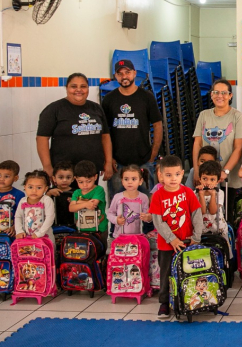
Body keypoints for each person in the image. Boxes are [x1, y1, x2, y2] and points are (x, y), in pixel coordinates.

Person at [150, 155, 204, 319]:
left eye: (176, 174)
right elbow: (158, 222)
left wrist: (197, 236)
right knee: (166, 273)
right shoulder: (158, 196)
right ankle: (164, 303)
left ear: (182, 174)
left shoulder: (188, 192)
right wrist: (171, 239)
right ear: (160, 175)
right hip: (166, 244)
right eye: (168, 175)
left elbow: (197, 215)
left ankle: (190, 298)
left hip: (188, 241)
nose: (173, 179)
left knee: (189, 271)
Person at [36, 72, 113, 182]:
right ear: (66, 88)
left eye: (83, 86)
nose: (79, 90)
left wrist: (108, 162)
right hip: (64, 173)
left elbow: (105, 136)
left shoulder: (96, 108)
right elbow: (42, 138)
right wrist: (47, 166)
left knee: (91, 199)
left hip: (90, 170)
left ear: (88, 88)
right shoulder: (54, 109)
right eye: (73, 86)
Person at [102, 59, 162, 195]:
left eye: (127, 72)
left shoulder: (146, 97)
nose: (124, 76)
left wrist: (153, 154)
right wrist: (108, 158)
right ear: (115, 76)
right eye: (120, 73)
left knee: (146, 205)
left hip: (143, 161)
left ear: (134, 73)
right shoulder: (109, 99)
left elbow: (158, 125)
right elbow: (105, 132)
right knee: (118, 206)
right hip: (118, 164)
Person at [192, 79, 242, 218]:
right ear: (211, 95)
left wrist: (225, 171)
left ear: (230, 96)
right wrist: (196, 170)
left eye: (224, 93)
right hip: (206, 175)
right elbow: (197, 144)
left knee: (226, 213)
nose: (220, 96)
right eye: (216, 92)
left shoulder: (237, 117)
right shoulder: (204, 115)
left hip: (228, 175)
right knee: (204, 212)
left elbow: (239, 148)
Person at [106, 165, 152, 239]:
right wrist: (116, 220)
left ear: (140, 181)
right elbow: (110, 214)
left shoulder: (144, 198)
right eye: (126, 179)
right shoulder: (117, 197)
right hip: (119, 237)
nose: (130, 182)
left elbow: (147, 215)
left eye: (134, 179)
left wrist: (148, 218)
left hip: (137, 237)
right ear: (122, 181)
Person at [68, 160, 109, 241]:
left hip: (99, 229)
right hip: (81, 229)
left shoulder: (99, 190)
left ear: (95, 177)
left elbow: (93, 205)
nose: (85, 185)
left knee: (100, 251)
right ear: (75, 179)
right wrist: (86, 203)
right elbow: (71, 208)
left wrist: (78, 202)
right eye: (81, 182)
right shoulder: (76, 192)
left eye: (88, 181)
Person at [14, 170, 56, 245]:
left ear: (45, 189)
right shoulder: (23, 201)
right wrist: (19, 231)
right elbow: (18, 217)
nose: (34, 191)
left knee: (46, 256)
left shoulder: (46, 200)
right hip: (26, 239)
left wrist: (40, 233)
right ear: (25, 187)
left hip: (45, 239)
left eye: (39, 188)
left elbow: (50, 218)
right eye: (30, 187)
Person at [196, 160, 227, 235]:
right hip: (202, 230)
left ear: (217, 181)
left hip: (219, 229)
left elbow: (213, 211)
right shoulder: (195, 193)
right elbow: (202, 212)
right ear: (200, 179)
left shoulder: (219, 193)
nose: (208, 182)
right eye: (204, 179)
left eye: (212, 179)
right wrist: (201, 195)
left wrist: (213, 194)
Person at [47, 161, 75, 226]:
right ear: (54, 178)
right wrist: (49, 194)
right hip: (54, 225)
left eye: (68, 177)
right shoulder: (51, 191)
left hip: (72, 225)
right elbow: (43, 203)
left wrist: (75, 201)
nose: (64, 180)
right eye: (61, 177)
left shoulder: (76, 192)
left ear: (73, 179)